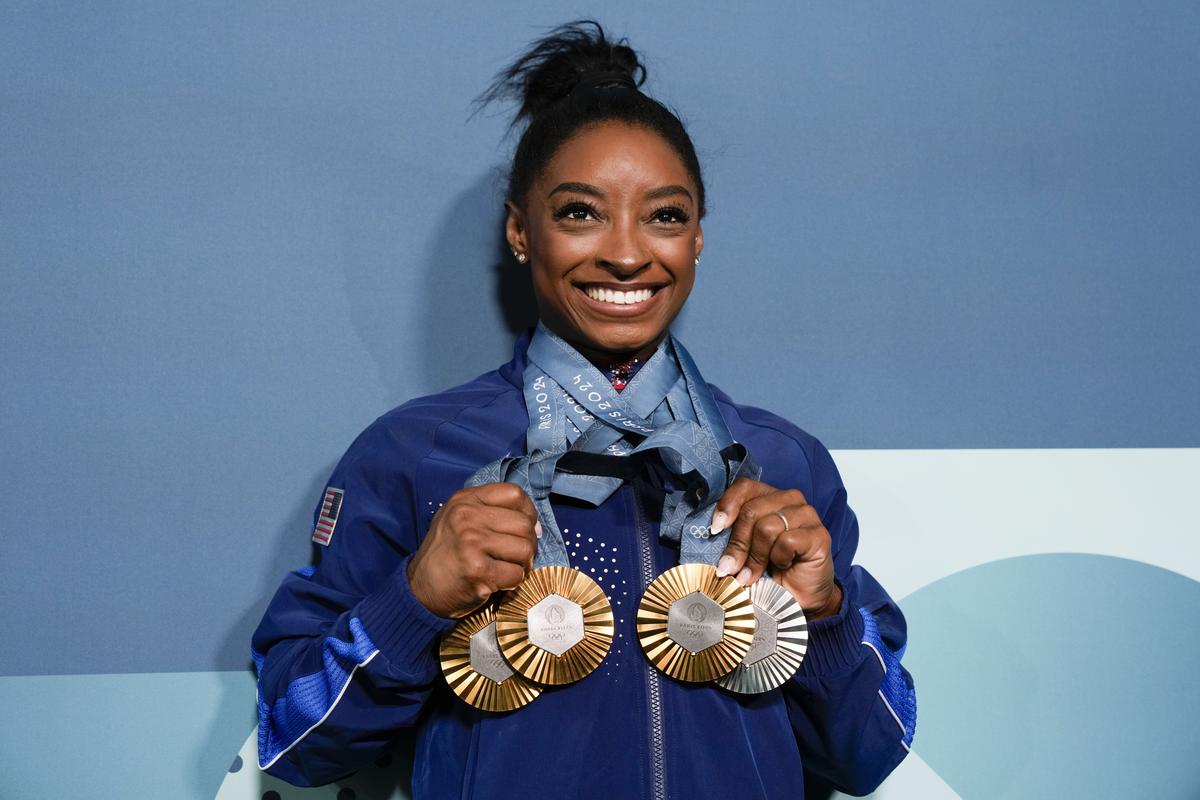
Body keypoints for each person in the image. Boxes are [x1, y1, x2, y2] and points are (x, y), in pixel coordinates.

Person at [252, 21, 915, 799]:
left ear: (697, 237)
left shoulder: (780, 461)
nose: (628, 253)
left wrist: (828, 613)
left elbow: (874, 752)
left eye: (664, 215)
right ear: (519, 232)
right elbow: (290, 736)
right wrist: (414, 602)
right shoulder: (415, 454)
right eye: (580, 213)